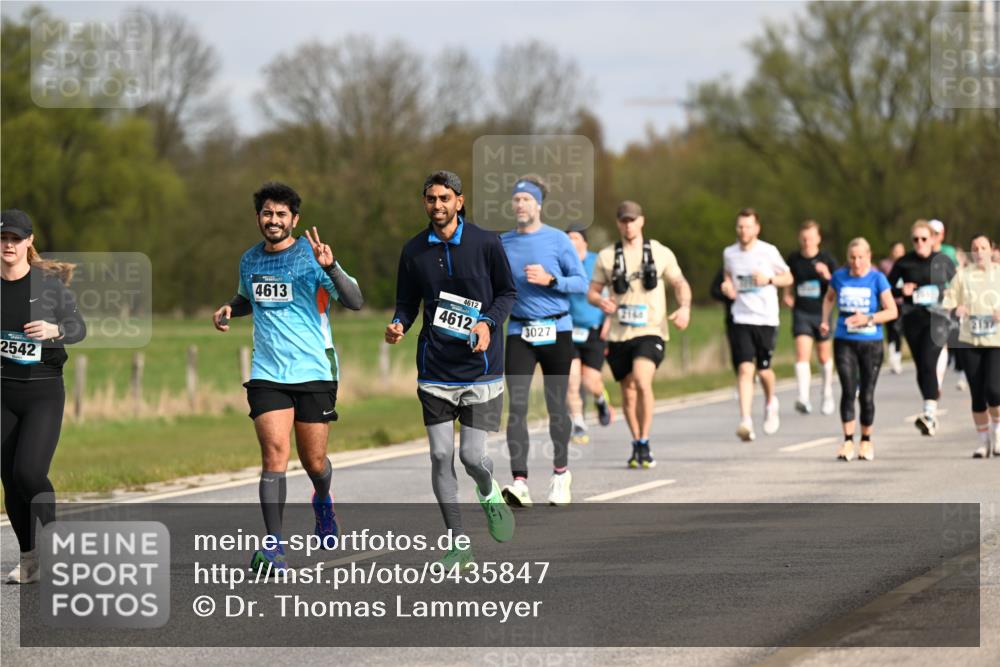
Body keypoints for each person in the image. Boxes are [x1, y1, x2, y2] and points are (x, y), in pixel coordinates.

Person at [213, 182, 363, 574]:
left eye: (281, 214)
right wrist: (230, 308)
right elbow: (249, 297)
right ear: (259, 217)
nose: (273, 220)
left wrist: (330, 266)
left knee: (314, 461)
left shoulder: (313, 256)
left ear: (294, 219)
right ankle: (274, 546)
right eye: (267, 213)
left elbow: (355, 301)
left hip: (314, 371)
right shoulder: (249, 260)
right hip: (268, 372)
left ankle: (324, 501)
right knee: (274, 455)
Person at [385, 170, 516, 571]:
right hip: (435, 369)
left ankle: (488, 490)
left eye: (445, 198)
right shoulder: (414, 251)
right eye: (430, 199)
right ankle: (459, 544)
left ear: (459, 201)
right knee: (441, 455)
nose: (437, 205)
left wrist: (486, 324)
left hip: (481, 371)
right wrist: (399, 324)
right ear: (424, 203)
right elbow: (407, 302)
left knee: (473, 457)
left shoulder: (486, 242)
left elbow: (507, 292)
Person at [2, 209, 86, 584]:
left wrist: (54, 330)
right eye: (3, 238)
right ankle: (30, 560)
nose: (8, 245)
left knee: (29, 472)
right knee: (9, 479)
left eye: (15, 239)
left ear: (29, 242)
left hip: (43, 391)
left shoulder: (48, 286)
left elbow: (78, 329)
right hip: (2, 393)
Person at [500, 175, 588, 507]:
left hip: (556, 329)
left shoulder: (558, 241)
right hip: (519, 330)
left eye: (526, 199)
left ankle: (561, 473)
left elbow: (580, 282)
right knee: (517, 407)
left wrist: (552, 280)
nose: (520, 204)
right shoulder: (503, 242)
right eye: (516, 199)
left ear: (538, 204)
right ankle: (519, 481)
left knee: (555, 405)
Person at [589, 201, 692, 467]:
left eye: (632, 220)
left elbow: (679, 282)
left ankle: (645, 440)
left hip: (651, 330)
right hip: (619, 333)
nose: (628, 225)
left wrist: (684, 307)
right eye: (623, 220)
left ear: (641, 221)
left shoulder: (660, 252)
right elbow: (592, 291)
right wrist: (600, 301)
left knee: (642, 381)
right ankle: (637, 442)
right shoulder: (607, 256)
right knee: (628, 391)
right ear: (618, 223)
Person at [820, 238, 897, 461]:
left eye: (860, 257)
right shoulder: (839, 277)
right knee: (847, 388)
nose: (856, 262)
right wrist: (825, 319)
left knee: (867, 395)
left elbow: (891, 311)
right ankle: (846, 441)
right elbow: (828, 298)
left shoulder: (877, 279)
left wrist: (868, 318)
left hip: (871, 343)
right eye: (852, 257)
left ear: (869, 256)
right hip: (844, 340)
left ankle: (866, 441)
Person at [720, 208, 794, 441]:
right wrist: (727, 286)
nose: (744, 230)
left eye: (748, 226)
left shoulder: (768, 251)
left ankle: (771, 402)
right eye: (740, 226)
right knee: (744, 368)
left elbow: (788, 277)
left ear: (757, 228)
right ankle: (745, 421)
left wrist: (769, 279)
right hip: (741, 317)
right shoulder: (729, 253)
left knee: (764, 371)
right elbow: (728, 276)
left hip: (766, 318)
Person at [887, 220, 956, 436]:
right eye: (915, 239)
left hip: (938, 320)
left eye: (924, 238)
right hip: (913, 319)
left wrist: (947, 295)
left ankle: (929, 414)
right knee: (922, 367)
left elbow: (957, 286)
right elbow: (888, 290)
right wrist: (901, 291)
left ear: (932, 239)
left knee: (928, 360)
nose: (919, 243)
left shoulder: (942, 262)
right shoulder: (904, 263)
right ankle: (931, 405)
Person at [942, 234, 1000, 458]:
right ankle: (982, 441)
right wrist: (957, 308)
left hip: (995, 341)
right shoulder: (963, 276)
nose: (979, 251)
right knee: (977, 393)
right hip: (969, 340)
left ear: (991, 249)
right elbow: (948, 300)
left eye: (983, 247)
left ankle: (997, 431)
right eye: (975, 248)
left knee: (994, 391)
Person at [782, 220, 838, 415]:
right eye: (804, 239)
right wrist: (787, 295)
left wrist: (827, 275)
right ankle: (803, 397)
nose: (807, 242)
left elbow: (837, 284)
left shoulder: (826, 258)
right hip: (801, 312)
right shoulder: (794, 259)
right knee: (801, 353)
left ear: (818, 239)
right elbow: (788, 279)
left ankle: (827, 392)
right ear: (800, 239)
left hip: (822, 312)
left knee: (823, 355)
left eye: (811, 238)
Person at [565, 227, 615, 445]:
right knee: (571, 379)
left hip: (595, 328)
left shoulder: (598, 262)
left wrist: (610, 322)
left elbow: (615, 294)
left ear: (584, 242)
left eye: (575, 237)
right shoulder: (561, 263)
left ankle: (600, 398)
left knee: (590, 380)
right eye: (567, 238)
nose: (570, 242)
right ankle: (578, 423)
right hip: (567, 329)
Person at [878, 242, 906, 373]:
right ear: (891, 252)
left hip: (903, 303)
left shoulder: (908, 264)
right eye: (896, 251)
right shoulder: (885, 265)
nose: (898, 253)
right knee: (890, 330)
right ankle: (891, 354)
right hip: (889, 302)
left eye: (901, 251)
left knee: (899, 330)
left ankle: (897, 358)